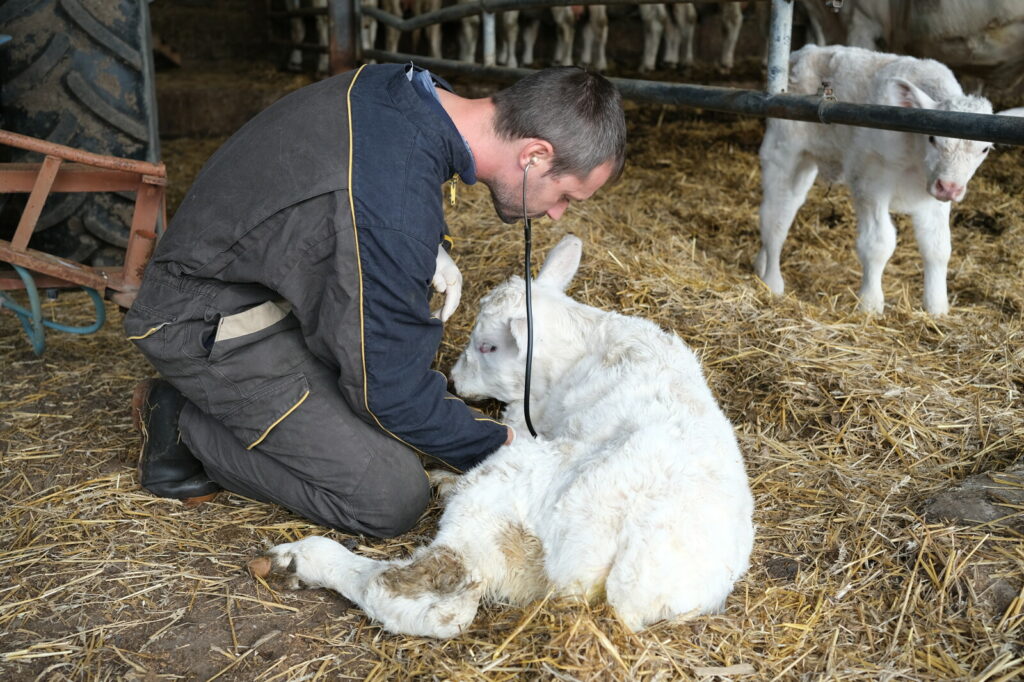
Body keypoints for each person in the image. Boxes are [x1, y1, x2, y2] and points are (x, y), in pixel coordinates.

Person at [125, 62, 626, 538]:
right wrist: (503, 448)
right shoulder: (390, 207)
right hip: (203, 317)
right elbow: (388, 394)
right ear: (534, 154)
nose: (558, 214)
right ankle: (182, 421)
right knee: (390, 495)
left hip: (262, 278)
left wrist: (427, 244)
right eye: (565, 196)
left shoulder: (410, 90)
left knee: (410, 409)